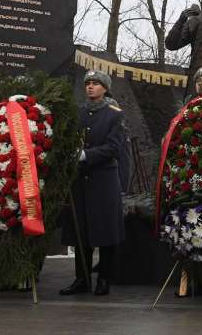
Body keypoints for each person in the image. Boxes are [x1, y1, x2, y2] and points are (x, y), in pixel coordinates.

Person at [60, 71, 126, 296]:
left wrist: (86, 155)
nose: (90, 87)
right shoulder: (79, 112)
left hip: (103, 181)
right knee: (81, 231)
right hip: (80, 181)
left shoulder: (114, 115)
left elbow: (114, 148)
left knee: (105, 232)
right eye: (87, 83)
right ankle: (82, 278)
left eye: (95, 84)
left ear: (105, 88)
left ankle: (104, 279)